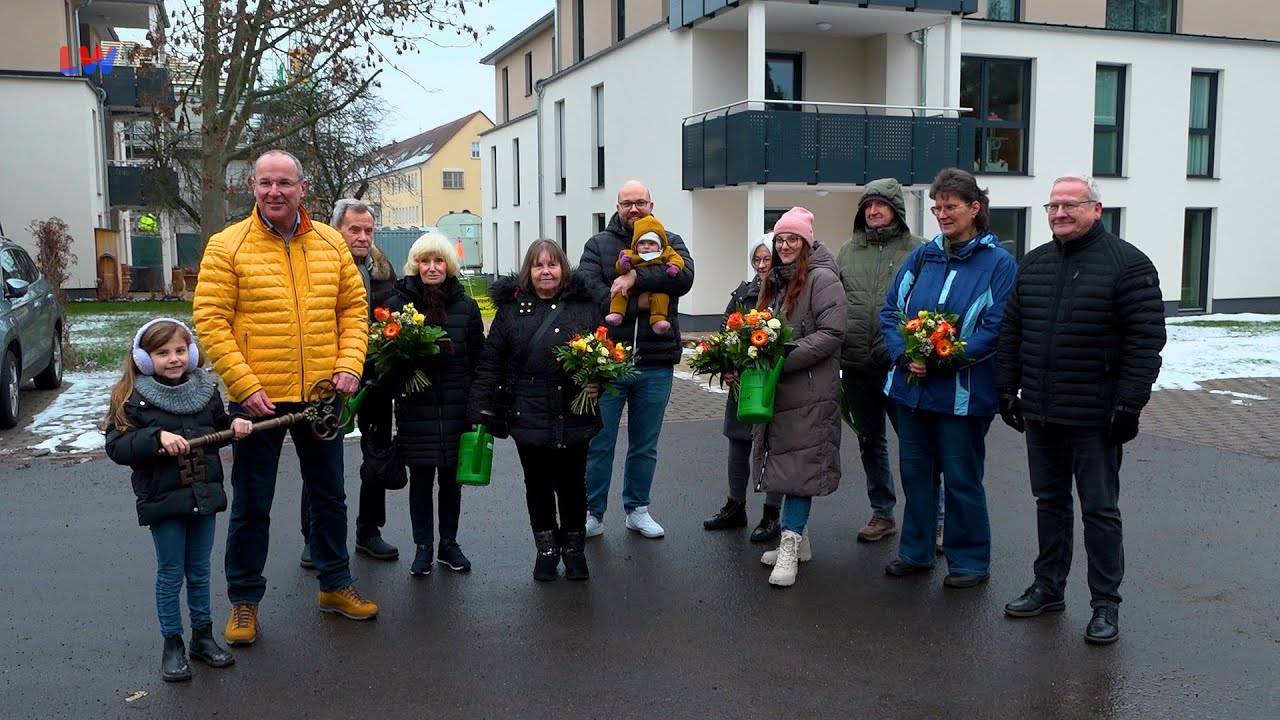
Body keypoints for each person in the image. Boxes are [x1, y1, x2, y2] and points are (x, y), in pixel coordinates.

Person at [194, 149, 376, 646]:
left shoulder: (331, 245)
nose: (274, 191)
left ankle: (335, 585)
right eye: (265, 182)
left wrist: (348, 365)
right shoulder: (227, 246)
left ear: (303, 188)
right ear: (252, 186)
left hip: (322, 395)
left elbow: (353, 312)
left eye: (284, 183)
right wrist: (244, 384)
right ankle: (244, 602)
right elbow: (210, 319)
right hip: (258, 399)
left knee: (330, 496)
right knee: (253, 503)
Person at [997, 174, 1166, 645]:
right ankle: (1048, 587)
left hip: (1096, 415)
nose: (1060, 213)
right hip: (1043, 412)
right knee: (1049, 503)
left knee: (1099, 510)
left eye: (1071, 204)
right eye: (1053, 206)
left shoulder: (1128, 264)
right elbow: (1012, 331)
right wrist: (1006, 388)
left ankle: (1105, 605)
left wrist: (1130, 403)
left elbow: (1146, 340)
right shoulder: (1033, 265)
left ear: (1097, 209)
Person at [879, 167, 1016, 589]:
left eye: (951, 207)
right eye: (937, 207)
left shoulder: (999, 264)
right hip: (913, 391)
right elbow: (890, 312)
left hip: (963, 395)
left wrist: (942, 359)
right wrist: (906, 356)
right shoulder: (923, 256)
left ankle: (970, 561)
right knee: (916, 476)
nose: (942, 214)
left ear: (975, 208)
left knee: (961, 479)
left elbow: (997, 328)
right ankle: (916, 551)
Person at [104, 318, 251, 681]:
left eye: (181, 351)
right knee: (171, 574)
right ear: (143, 357)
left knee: (200, 571)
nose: (174, 359)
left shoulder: (205, 390)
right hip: (164, 499)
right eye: (162, 352)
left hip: (203, 492)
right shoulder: (133, 398)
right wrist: (156, 438)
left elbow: (218, 428)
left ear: (192, 353)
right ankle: (173, 643)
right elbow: (117, 445)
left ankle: (202, 637)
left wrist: (236, 425)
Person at [468, 239, 603, 581]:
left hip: (575, 412)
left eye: (552, 265)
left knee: (573, 486)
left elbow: (607, 352)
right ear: (529, 271)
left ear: (563, 269)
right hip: (527, 414)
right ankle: (546, 550)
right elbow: (490, 364)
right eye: (539, 265)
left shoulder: (585, 307)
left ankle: (574, 551)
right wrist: (478, 412)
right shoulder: (511, 312)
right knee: (538, 486)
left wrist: (598, 381)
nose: (546, 271)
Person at [578, 180, 695, 539]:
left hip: (655, 361)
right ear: (617, 206)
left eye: (640, 202)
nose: (633, 208)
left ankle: (637, 509)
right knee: (600, 441)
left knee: (645, 444)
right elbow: (588, 290)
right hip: (609, 361)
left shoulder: (670, 240)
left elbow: (684, 278)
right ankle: (592, 512)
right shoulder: (598, 245)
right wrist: (640, 302)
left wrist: (633, 276)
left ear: (651, 204)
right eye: (626, 203)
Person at [743, 207, 845, 587]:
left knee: (800, 467)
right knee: (785, 462)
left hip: (809, 390)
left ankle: (789, 543)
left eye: (792, 239)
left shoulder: (822, 279)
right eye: (780, 239)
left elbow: (831, 334)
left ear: (806, 242)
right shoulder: (777, 281)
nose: (784, 245)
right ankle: (798, 540)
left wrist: (779, 357)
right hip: (779, 389)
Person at [299, 199, 399, 569]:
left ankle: (369, 530)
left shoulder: (384, 272)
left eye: (368, 230)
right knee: (322, 460)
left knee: (377, 455)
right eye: (353, 229)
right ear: (336, 229)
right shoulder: (317, 266)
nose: (361, 237)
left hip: (374, 375)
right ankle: (315, 537)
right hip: (330, 378)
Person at [388, 233, 485, 576]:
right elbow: (388, 360)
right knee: (421, 480)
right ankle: (423, 546)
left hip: (457, 407)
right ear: (415, 265)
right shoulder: (400, 305)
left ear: (449, 265)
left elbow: (478, 360)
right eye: (425, 261)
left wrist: (476, 407)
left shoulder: (466, 306)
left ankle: (448, 544)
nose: (432, 268)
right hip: (418, 408)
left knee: (451, 481)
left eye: (439, 261)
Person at [836, 178, 924, 544]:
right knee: (870, 441)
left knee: (916, 444)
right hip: (856, 365)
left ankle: (930, 518)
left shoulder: (919, 250)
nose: (873, 211)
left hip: (900, 366)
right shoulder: (847, 251)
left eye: (881, 205)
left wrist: (902, 346)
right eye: (868, 206)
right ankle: (882, 513)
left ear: (896, 210)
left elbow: (928, 305)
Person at [702, 233, 783, 543]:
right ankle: (736, 506)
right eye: (757, 260)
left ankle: (772, 513)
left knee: (774, 446)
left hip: (775, 383)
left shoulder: (789, 293)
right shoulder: (743, 294)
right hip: (743, 383)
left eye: (767, 259)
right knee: (738, 441)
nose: (762, 265)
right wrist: (726, 366)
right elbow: (725, 333)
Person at [607, 215, 685, 334]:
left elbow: (678, 259)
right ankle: (616, 313)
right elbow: (619, 268)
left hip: (655, 289)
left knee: (661, 298)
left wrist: (674, 266)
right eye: (642, 243)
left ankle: (658, 321)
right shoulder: (631, 254)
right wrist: (623, 265)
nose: (646, 247)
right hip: (633, 290)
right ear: (635, 245)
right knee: (619, 291)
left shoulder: (666, 253)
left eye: (651, 243)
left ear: (660, 246)